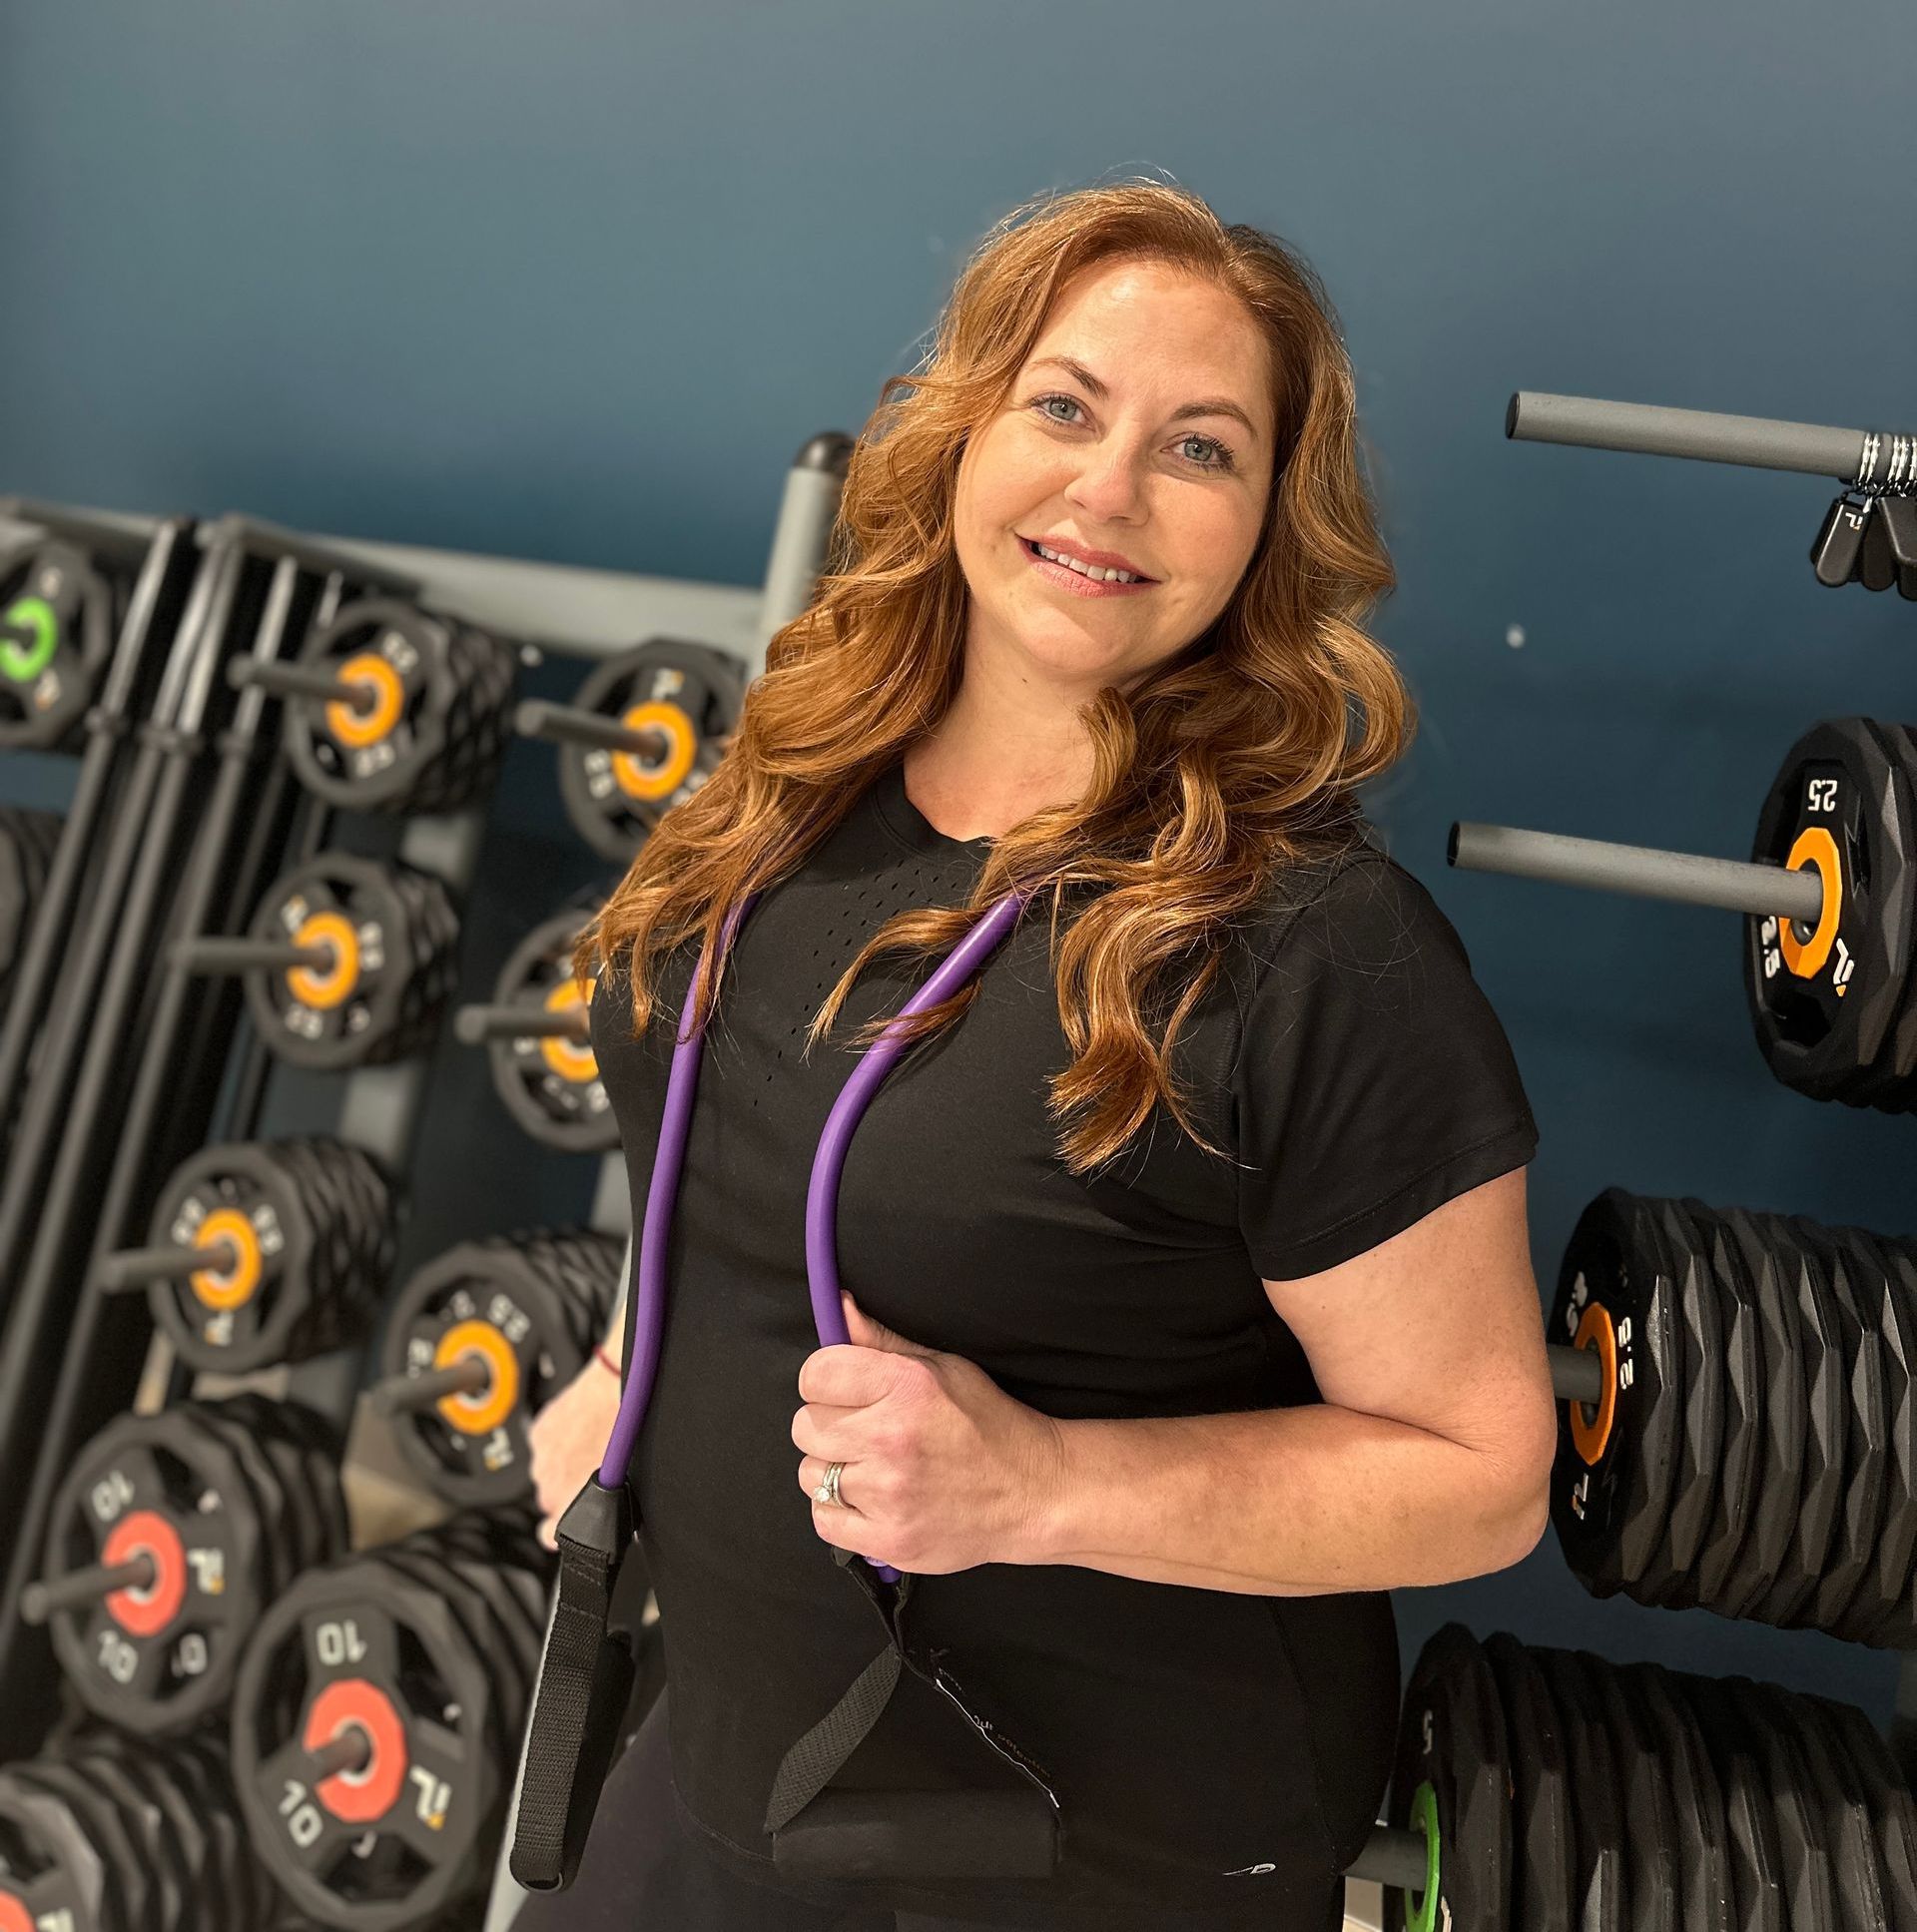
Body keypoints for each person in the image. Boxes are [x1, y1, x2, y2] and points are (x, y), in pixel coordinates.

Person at [515, 177, 1555, 1932]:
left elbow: (1481, 1475)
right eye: (1065, 406)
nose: (1110, 489)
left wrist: (1043, 1485)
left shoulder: (1310, 948)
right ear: (963, 433)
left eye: (1202, 449)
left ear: (1264, 535)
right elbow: (728, 1144)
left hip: (1092, 1848)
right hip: (746, 1754)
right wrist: (636, 1375)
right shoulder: (786, 792)